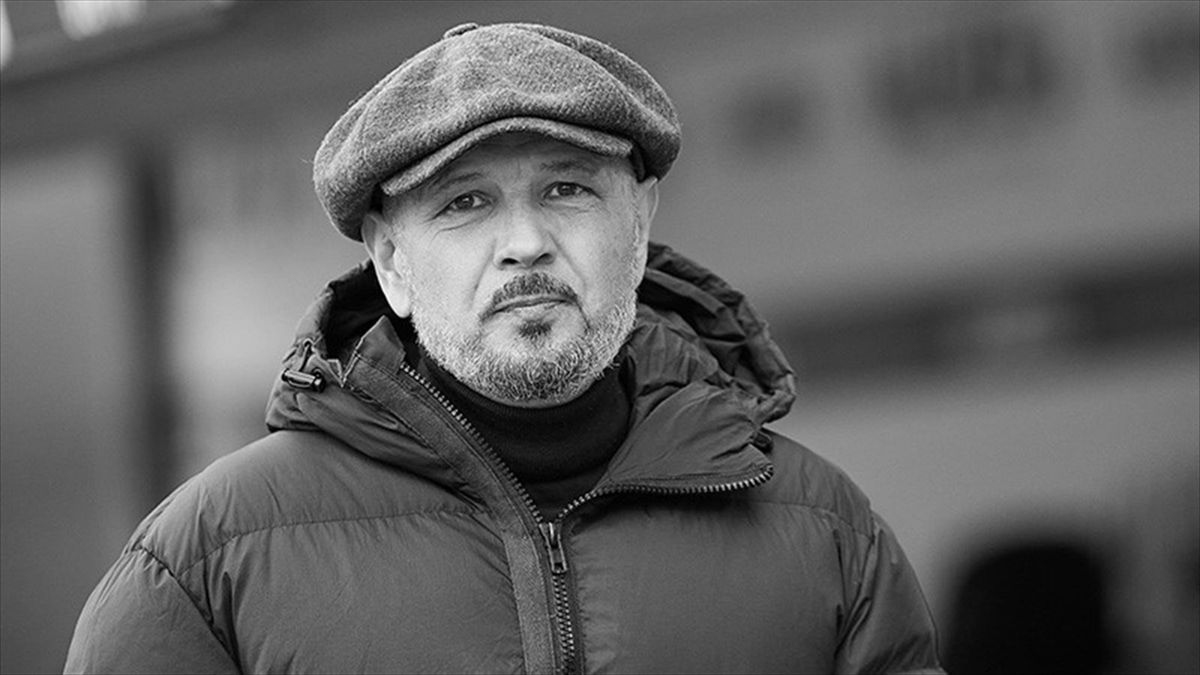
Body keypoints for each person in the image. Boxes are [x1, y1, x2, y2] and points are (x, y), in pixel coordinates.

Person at [64, 22, 942, 674]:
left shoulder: (827, 534)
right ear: (391, 263)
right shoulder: (206, 562)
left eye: (567, 189)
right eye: (465, 203)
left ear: (639, 226)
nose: (525, 244)